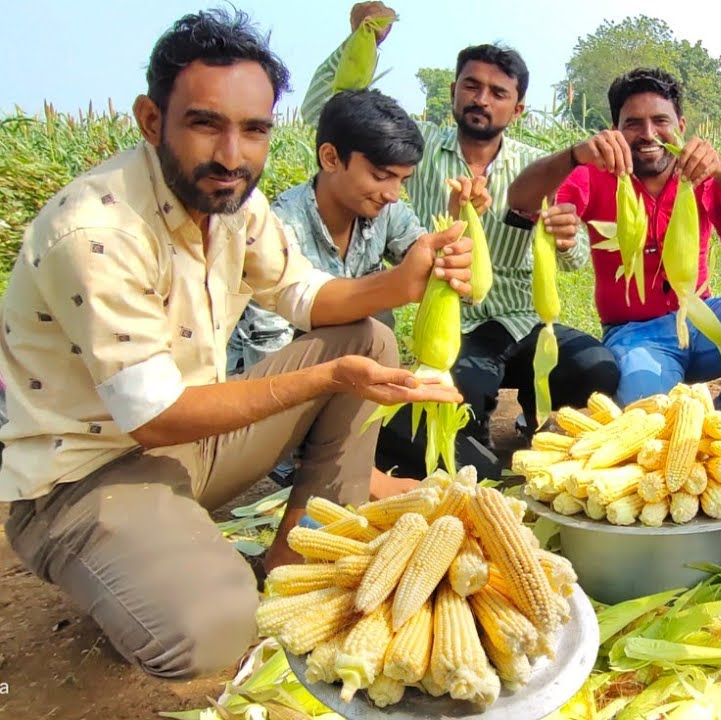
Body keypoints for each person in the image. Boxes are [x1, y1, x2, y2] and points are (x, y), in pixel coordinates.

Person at [0, 9, 472, 680]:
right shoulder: (96, 233)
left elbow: (309, 296)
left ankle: (293, 554)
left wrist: (406, 279)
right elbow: (156, 417)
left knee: (366, 334)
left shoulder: (233, 205)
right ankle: (140, 576)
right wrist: (328, 378)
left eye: (253, 130)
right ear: (150, 119)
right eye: (205, 123)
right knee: (216, 632)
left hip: (189, 451)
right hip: (86, 476)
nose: (232, 154)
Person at [301, 2, 619, 478]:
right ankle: (476, 433)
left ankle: (539, 416)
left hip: (523, 321)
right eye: (471, 86)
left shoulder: (540, 168)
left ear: (518, 107)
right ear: (452, 92)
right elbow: (330, 114)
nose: (481, 99)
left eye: (497, 92)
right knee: (460, 391)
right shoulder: (417, 149)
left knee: (599, 369)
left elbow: (571, 264)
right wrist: (360, 42)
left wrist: (567, 238)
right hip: (460, 325)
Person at [227, 88, 462, 498]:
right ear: (331, 158)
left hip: (351, 389)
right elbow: (270, 367)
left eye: (401, 181)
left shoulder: (388, 214)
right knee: (371, 329)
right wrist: (365, 476)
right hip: (276, 401)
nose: (392, 193)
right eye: (381, 175)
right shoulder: (279, 231)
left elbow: (433, 267)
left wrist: (459, 232)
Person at [507, 67, 721, 406]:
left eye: (660, 121)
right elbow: (521, 200)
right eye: (633, 123)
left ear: (681, 126)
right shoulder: (594, 174)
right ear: (615, 131)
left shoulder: (699, 171)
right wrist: (573, 157)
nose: (648, 134)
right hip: (635, 335)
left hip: (701, 315)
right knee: (647, 407)